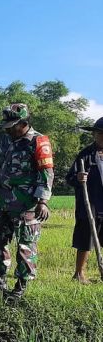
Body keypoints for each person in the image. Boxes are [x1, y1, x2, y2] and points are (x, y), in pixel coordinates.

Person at [0, 103, 54, 299]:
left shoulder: (38, 141)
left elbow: (46, 172)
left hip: (26, 204)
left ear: (23, 122)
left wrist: (42, 201)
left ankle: (20, 287)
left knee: (25, 246)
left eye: (12, 125)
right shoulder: (7, 141)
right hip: (4, 201)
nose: (8, 129)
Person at [65, 117, 103, 284]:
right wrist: (78, 177)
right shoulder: (85, 155)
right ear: (94, 134)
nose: (101, 137)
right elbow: (70, 177)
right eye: (99, 133)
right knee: (85, 239)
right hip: (90, 206)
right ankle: (79, 274)